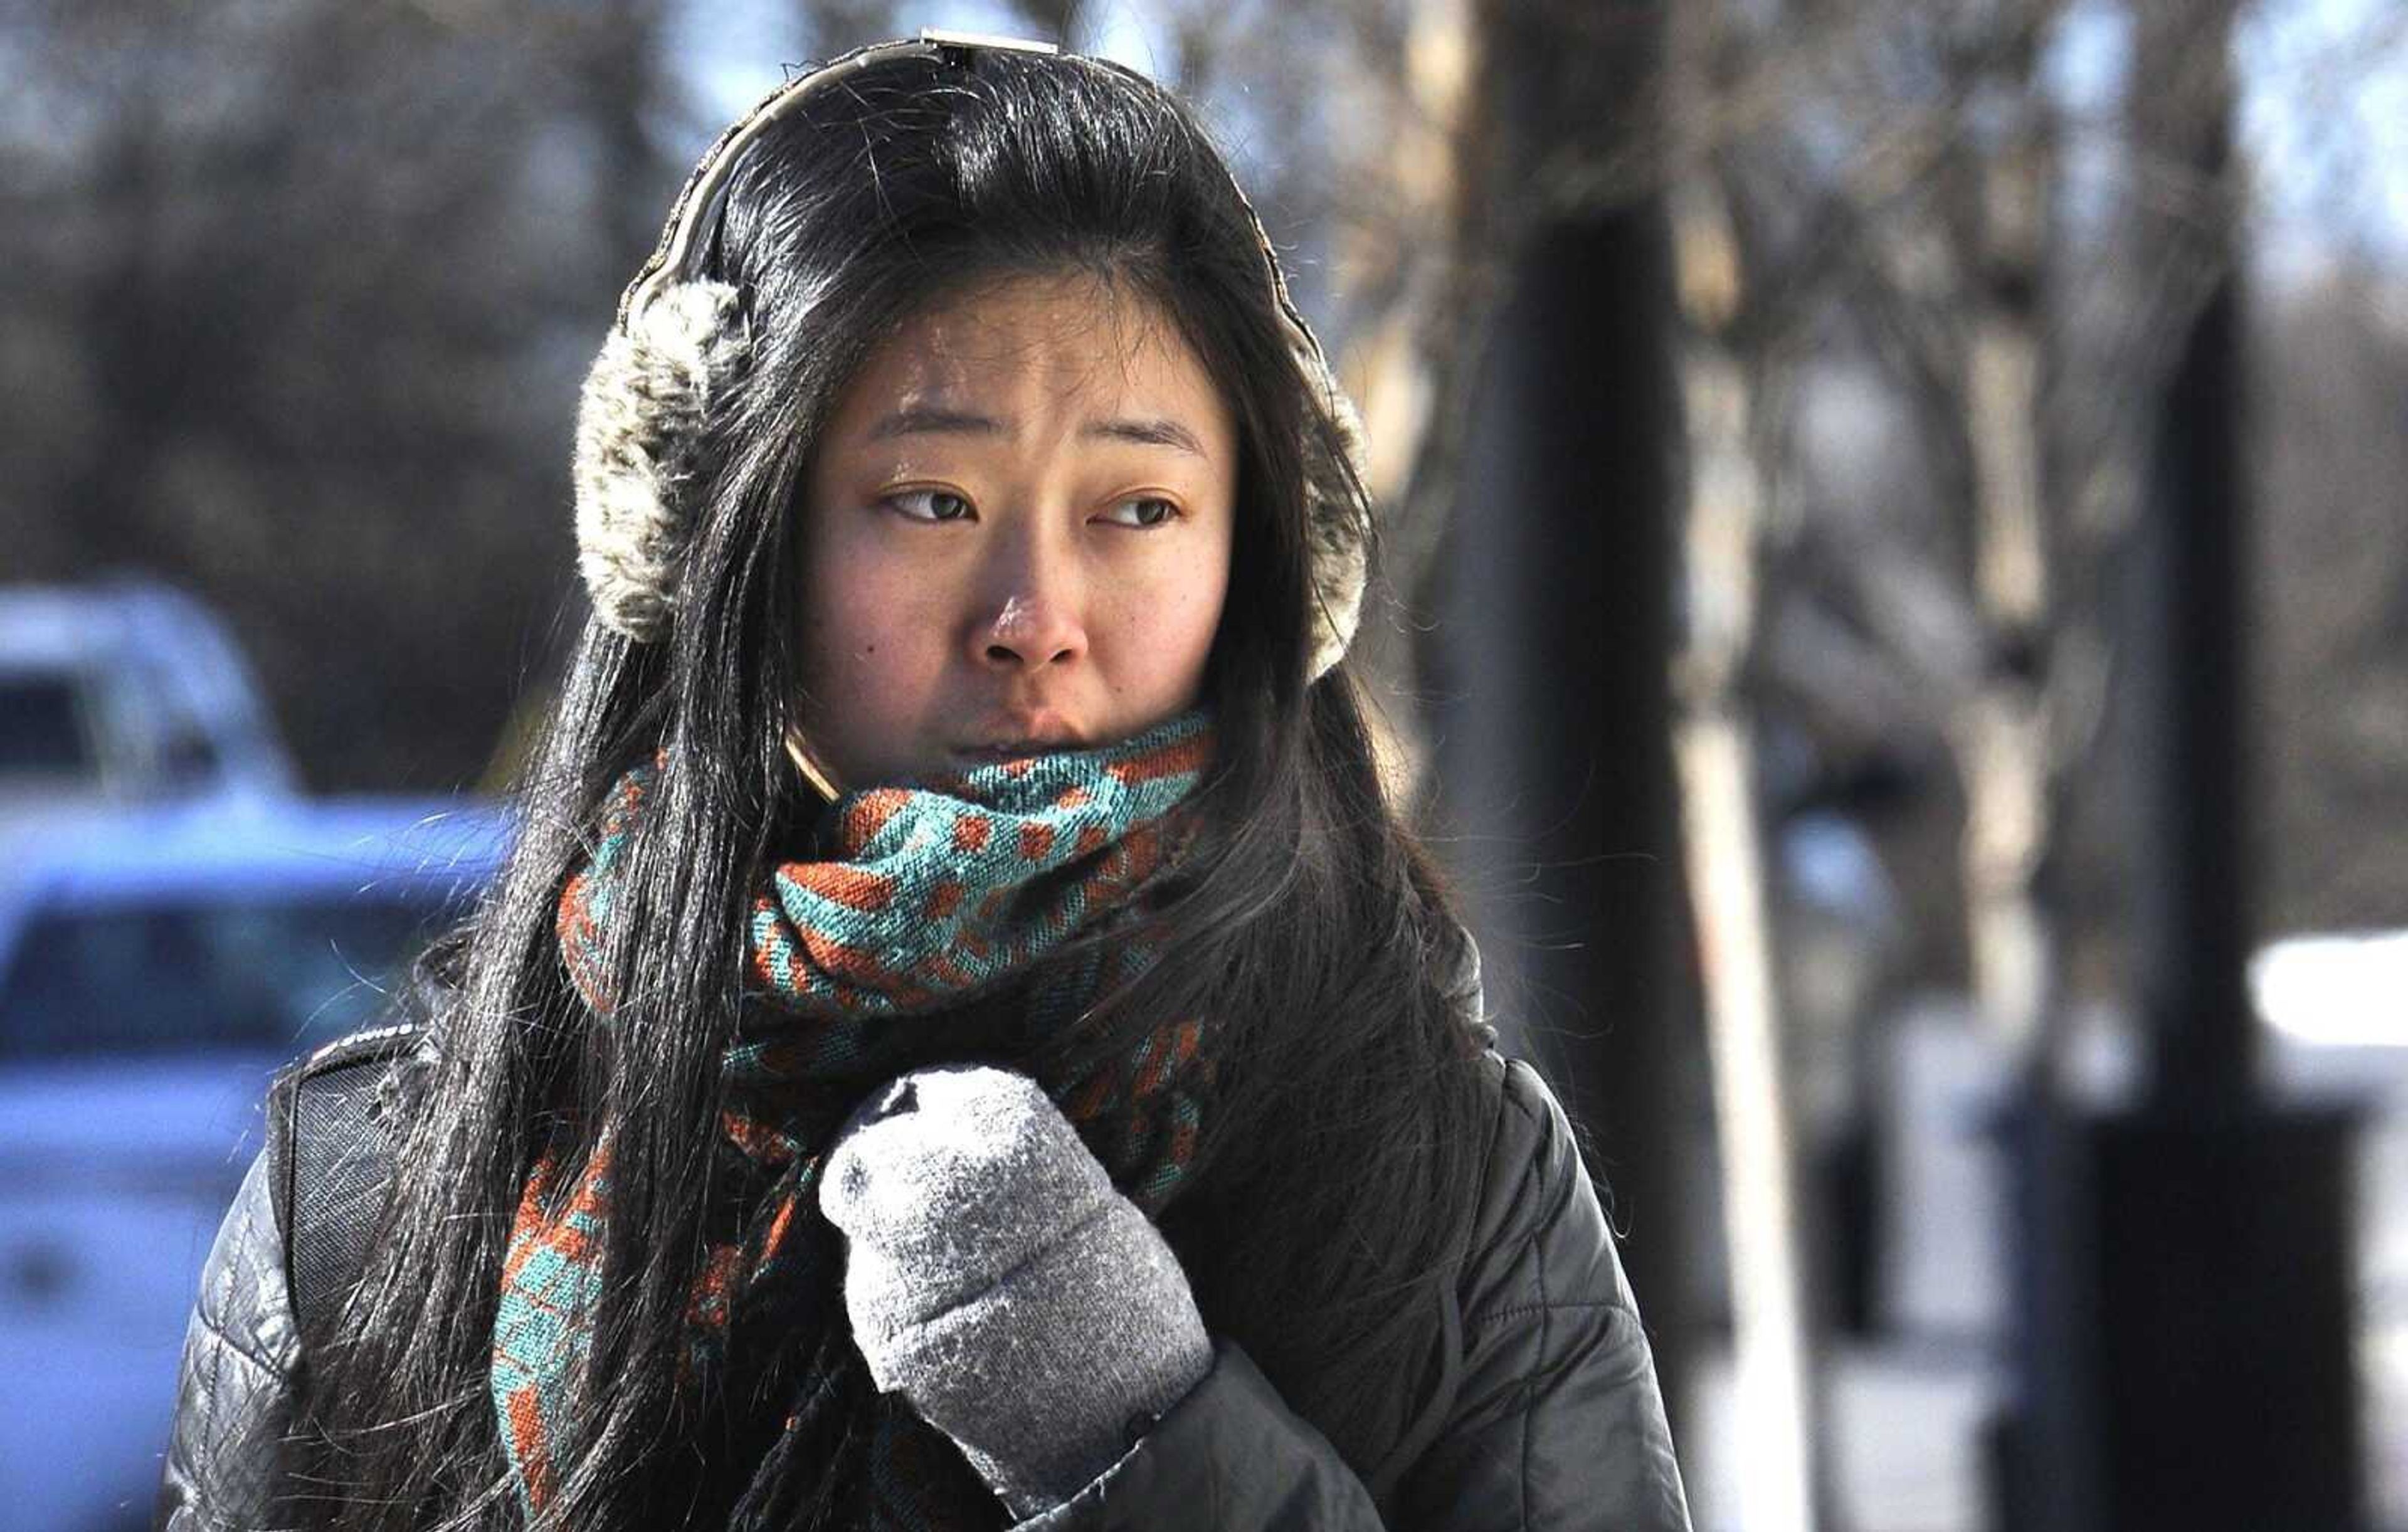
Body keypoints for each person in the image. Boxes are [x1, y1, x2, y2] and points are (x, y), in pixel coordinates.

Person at [157, 31, 1692, 1532]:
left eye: (1140, 506)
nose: (1034, 617)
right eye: (932, 499)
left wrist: (1136, 1438)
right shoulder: (378, 1189)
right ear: (718, 537)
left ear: (1266, 565)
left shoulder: (1442, 1170)